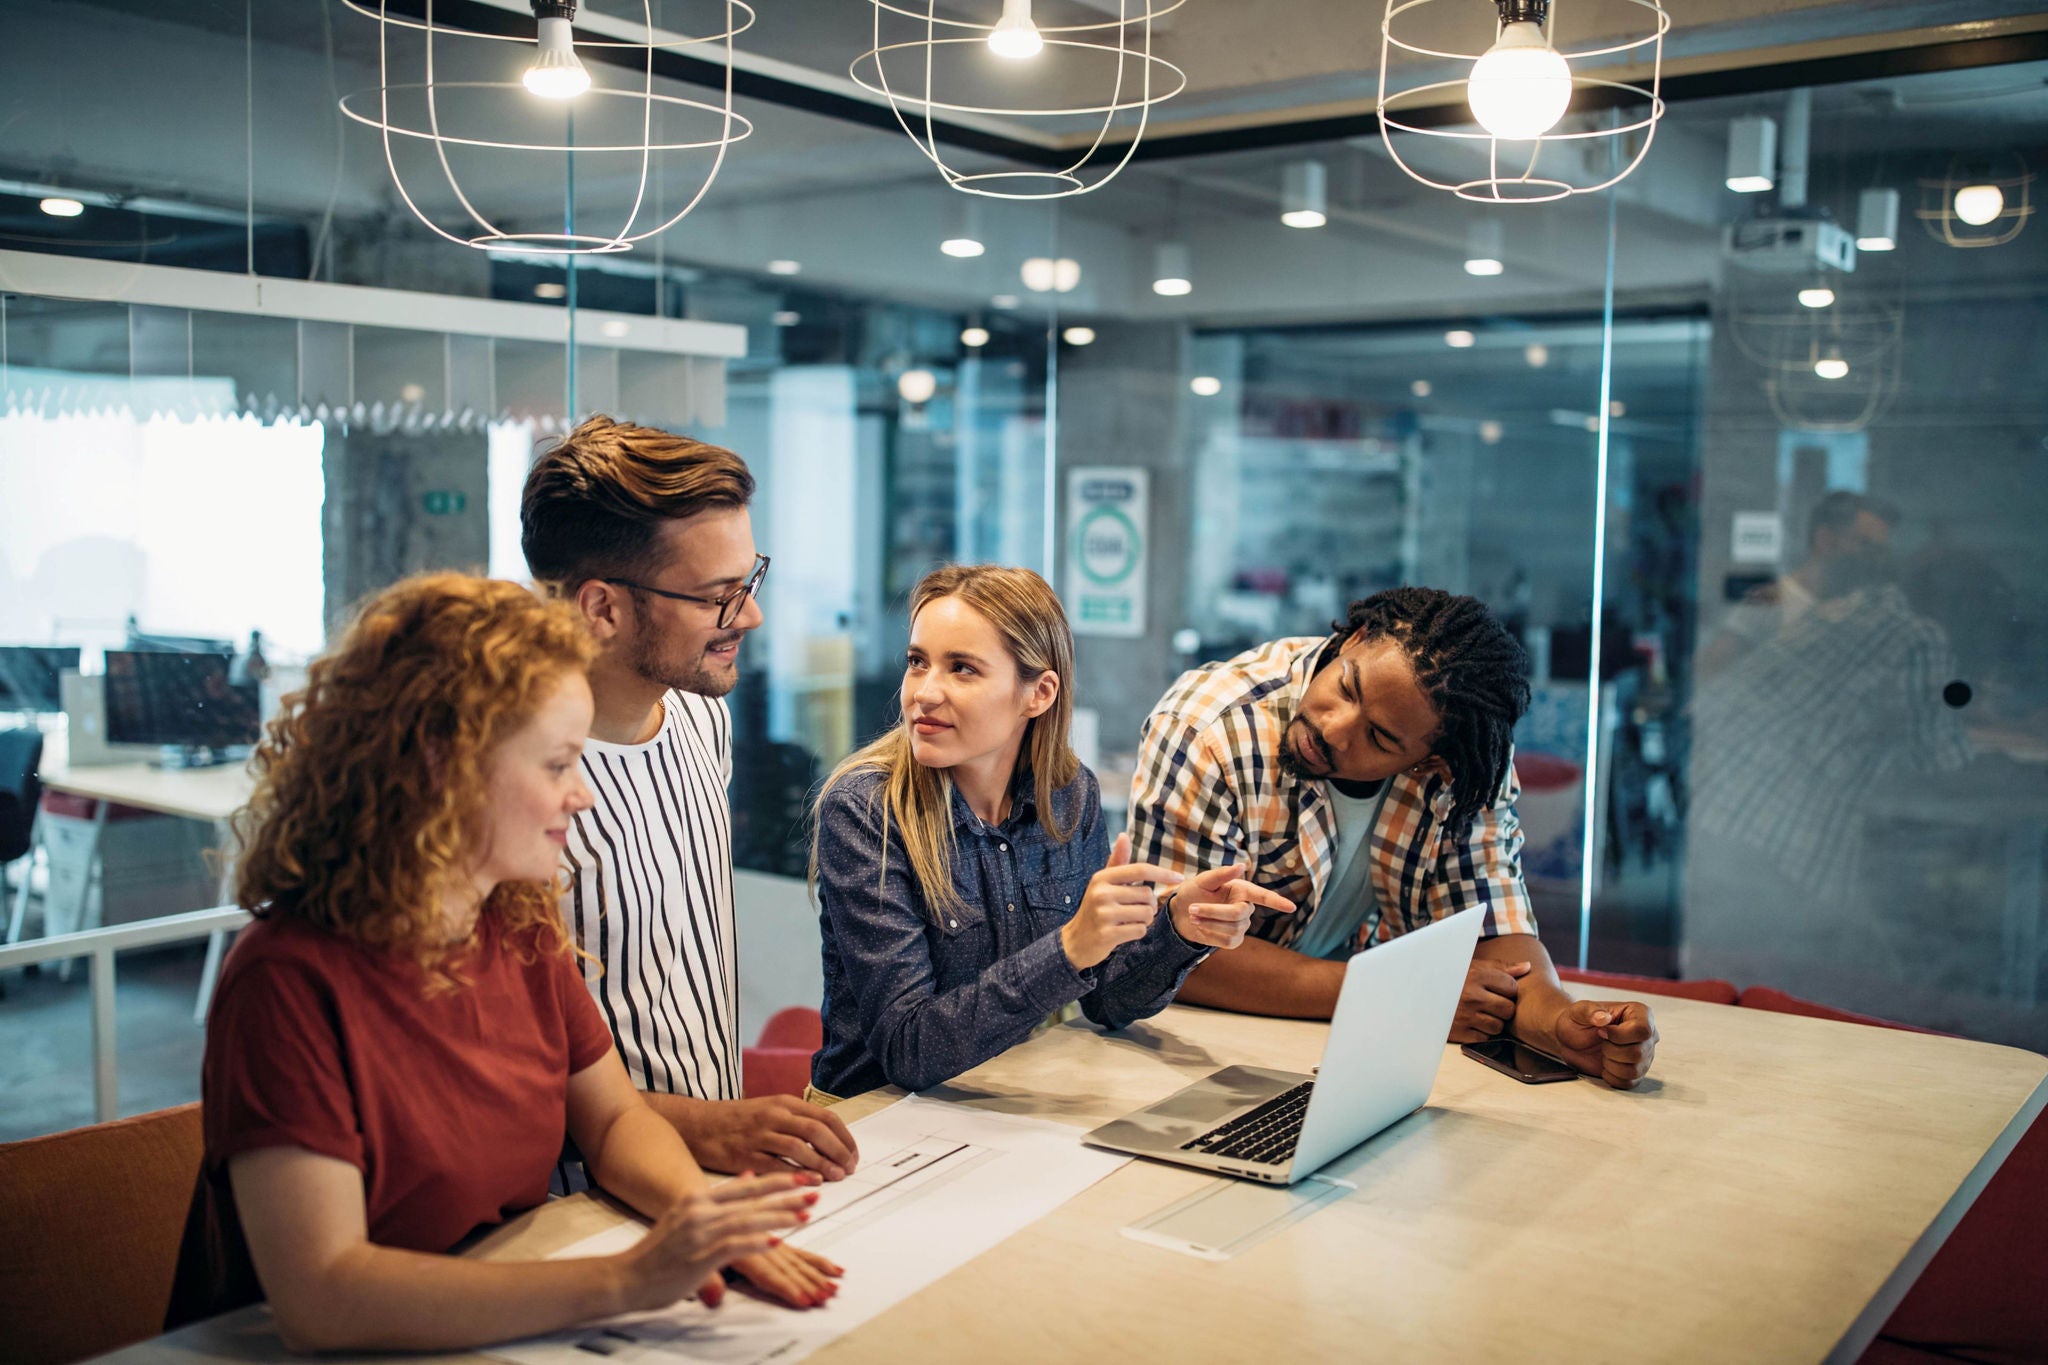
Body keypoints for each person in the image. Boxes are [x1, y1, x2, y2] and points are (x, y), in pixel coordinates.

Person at [168, 573, 822, 1351]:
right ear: (442, 767)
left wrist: (701, 1222)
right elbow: (325, 1295)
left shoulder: (515, 920)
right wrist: (629, 1278)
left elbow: (613, 1120)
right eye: (556, 765)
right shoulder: (285, 982)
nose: (580, 795)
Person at [521, 417, 855, 1308]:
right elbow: (519, 1075)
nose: (748, 613)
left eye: (750, 580)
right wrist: (709, 1129)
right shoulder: (512, 790)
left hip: (705, 1186)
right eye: (716, 594)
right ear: (602, 606)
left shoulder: (703, 715)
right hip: (579, 1219)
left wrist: (724, 1134)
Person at [1128, 587, 1658, 1089]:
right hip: (1192, 1048)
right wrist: (1396, 995)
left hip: (1342, 1050)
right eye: (1346, 687)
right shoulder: (1209, 727)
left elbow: (1497, 937)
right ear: (1353, 640)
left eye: (1379, 737)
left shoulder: (1464, 769)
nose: (1334, 729)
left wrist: (1563, 1024)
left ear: (1428, 762)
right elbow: (1175, 954)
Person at [810, 564, 1292, 1098]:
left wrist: (1176, 928)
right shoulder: (864, 810)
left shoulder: (1068, 795)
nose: (924, 692)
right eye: (917, 662)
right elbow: (909, 1049)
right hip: (875, 1126)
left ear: (1038, 694)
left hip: (1006, 1101)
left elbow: (1108, 1001)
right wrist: (1068, 947)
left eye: (962, 669)